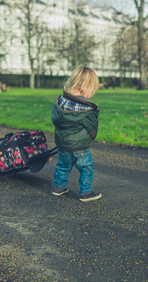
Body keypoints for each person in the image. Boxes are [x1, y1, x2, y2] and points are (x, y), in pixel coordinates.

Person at [51, 66, 102, 202]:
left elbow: (55, 120)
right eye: (93, 89)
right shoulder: (87, 108)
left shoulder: (60, 102)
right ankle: (86, 192)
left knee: (63, 165)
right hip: (81, 147)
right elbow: (92, 130)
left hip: (62, 144)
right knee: (86, 167)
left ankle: (58, 188)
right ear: (88, 86)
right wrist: (90, 137)